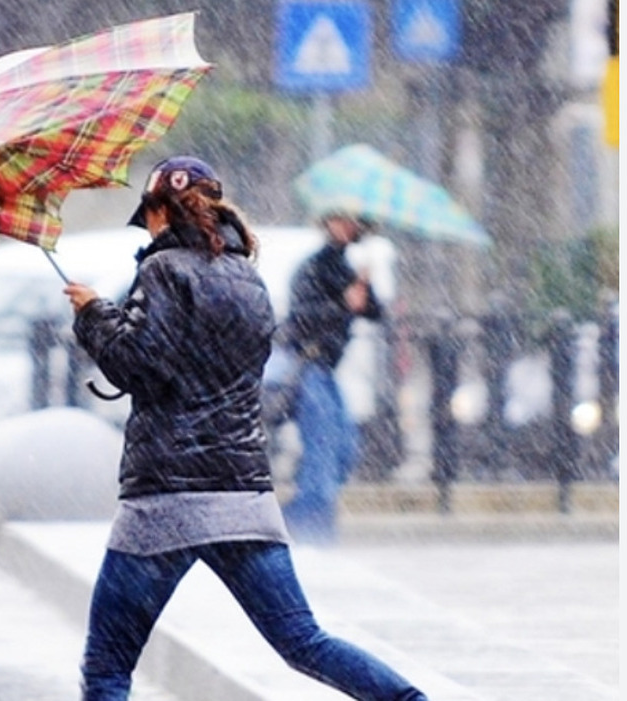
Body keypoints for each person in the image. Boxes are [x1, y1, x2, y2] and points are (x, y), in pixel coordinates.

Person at [62, 157, 427, 701]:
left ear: (162, 211)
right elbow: (212, 367)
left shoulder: (163, 271)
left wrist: (95, 314)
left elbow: (142, 366)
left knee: (109, 666)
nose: (150, 227)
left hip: (167, 496)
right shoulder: (247, 277)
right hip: (242, 493)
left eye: (151, 215)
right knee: (303, 640)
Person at [279, 211, 382, 545]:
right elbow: (303, 318)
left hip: (326, 371)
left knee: (343, 449)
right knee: (322, 452)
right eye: (339, 219)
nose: (347, 226)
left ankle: (302, 518)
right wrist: (343, 302)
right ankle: (309, 528)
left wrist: (363, 287)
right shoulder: (314, 267)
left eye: (352, 221)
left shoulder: (345, 268)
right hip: (308, 366)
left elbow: (373, 311)